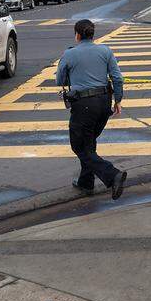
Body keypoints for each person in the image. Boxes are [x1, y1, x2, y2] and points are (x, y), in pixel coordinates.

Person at [56, 19, 129, 200]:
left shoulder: (69, 54)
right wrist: (118, 100)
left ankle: (113, 175)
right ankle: (86, 183)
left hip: (83, 105)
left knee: (79, 146)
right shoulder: (105, 51)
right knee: (88, 144)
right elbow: (117, 78)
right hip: (104, 103)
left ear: (78, 35)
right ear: (92, 34)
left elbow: (59, 80)